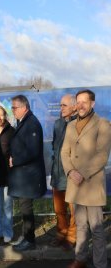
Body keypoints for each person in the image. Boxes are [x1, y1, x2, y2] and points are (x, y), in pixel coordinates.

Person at [61, 89, 111, 268]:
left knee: (97, 229)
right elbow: (64, 153)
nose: (80, 105)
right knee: (81, 225)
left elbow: (102, 155)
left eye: (84, 102)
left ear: (92, 104)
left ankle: (100, 264)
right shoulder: (70, 126)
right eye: (78, 102)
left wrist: (81, 173)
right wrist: (69, 172)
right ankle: (80, 259)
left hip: (91, 184)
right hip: (75, 183)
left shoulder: (103, 124)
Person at [8, 95, 46, 251]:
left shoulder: (31, 123)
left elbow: (33, 151)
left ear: (24, 107)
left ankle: (30, 240)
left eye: (14, 108)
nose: (12, 111)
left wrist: (14, 160)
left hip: (28, 177)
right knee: (24, 208)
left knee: (26, 209)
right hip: (24, 176)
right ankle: (26, 237)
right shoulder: (24, 121)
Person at [50, 94, 77, 250]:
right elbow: (55, 146)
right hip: (57, 173)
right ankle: (62, 232)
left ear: (74, 107)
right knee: (59, 209)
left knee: (74, 210)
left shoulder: (79, 124)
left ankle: (72, 236)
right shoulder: (57, 124)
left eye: (64, 105)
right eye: (60, 105)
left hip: (72, 175)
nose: (61, 108)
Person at [0, 106, 15, 243]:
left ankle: (7, 232)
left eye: (1, 115)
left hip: (7, 173)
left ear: (5, 116)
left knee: (7, 205)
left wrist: (13, 157)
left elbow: (15, 149)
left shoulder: (11, 131)